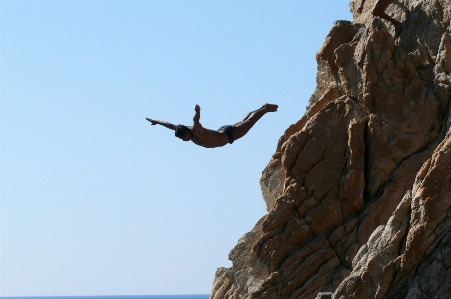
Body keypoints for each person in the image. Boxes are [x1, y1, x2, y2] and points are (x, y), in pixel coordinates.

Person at [146, 103, 278, 148]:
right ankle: (261, 108)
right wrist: (157, 122)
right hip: (222, 132)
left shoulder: (195, 130)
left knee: (249, 123)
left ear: (186, 133)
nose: (183, 140)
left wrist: (197, 111)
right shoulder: (184, 131)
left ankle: (265, 109)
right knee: (243, 121)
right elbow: (169, 125)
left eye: (182, 138)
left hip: (227, 135)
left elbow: (196, 121)